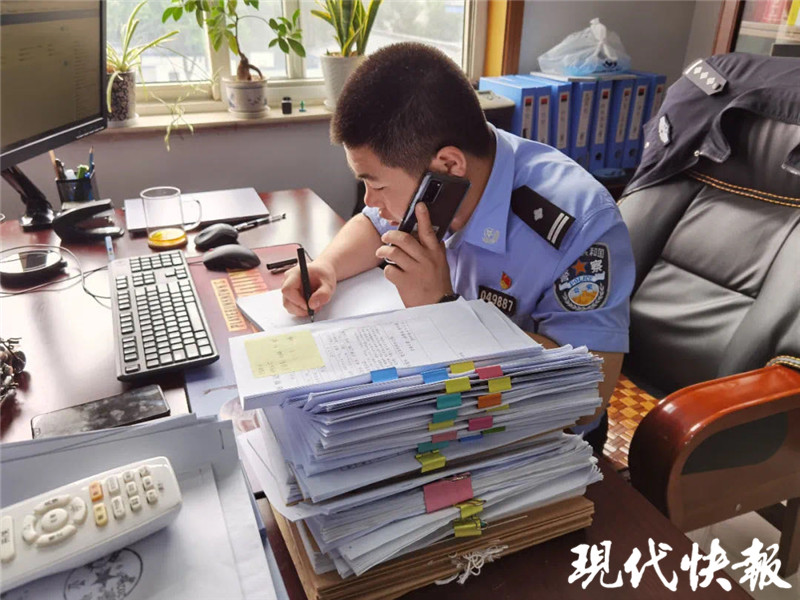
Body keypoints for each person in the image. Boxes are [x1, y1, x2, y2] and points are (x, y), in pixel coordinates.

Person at [281, 42, 635, 450]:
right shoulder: (439, 179)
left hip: (528, 438)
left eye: (376, 185)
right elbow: (374, 225)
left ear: (448, 166)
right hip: (447, 403)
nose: (369, 200)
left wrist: (443, 312)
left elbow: (590, 394)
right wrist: (327, 266)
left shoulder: (578, 223)